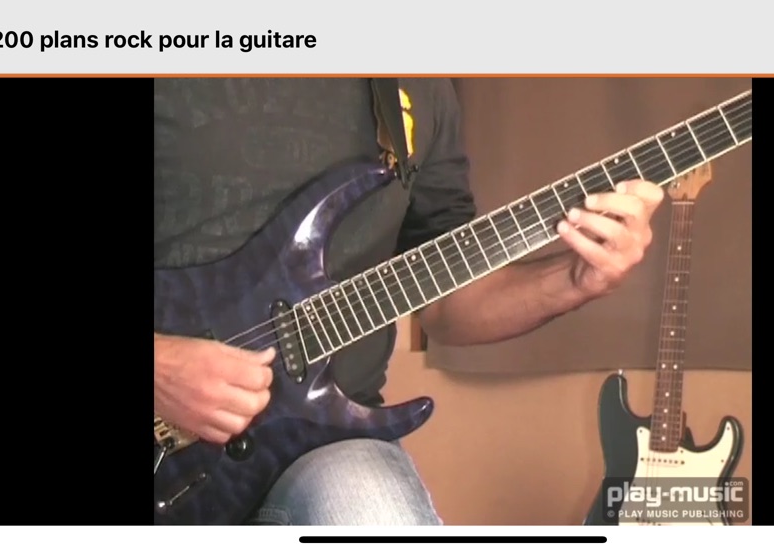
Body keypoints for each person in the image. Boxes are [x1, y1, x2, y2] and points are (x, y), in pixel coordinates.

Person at [153, 78, 665, 525]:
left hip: (326, 443)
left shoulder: (412, 83)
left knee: (373, 511)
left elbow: (448, 305)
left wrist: (573, 279)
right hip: (167, 447)